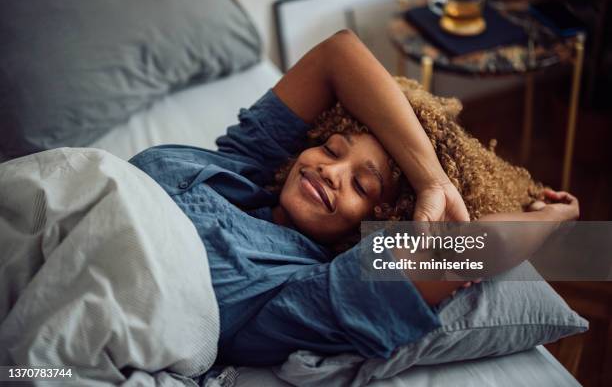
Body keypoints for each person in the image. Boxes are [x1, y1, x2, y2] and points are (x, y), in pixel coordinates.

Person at [129, 30, 579, 366]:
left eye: (363, 186)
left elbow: (477, 249)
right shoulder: (246, 164)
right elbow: (339, 53)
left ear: (383, 223)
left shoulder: (297, 293)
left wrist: (556, 217)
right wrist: (432, 180)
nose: (330, 169)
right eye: (330, 148)